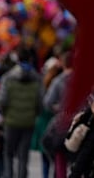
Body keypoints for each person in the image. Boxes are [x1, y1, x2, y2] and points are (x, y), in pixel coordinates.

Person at [0, 45, 43, 178]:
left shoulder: (8, 77)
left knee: (8, 153)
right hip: (28, 122)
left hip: (11, 121)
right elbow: (40, 102)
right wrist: (34, 114)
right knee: (23, 155)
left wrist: (2, 112)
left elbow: (2, 100)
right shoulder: (37, 79)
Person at [42, 50, 74, 178]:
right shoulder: (81, 81)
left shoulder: (58, 81)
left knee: (60, 160)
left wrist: (59, 109)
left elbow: (47, 102)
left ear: (64, 64)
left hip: (62, 125)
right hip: (79, 125)